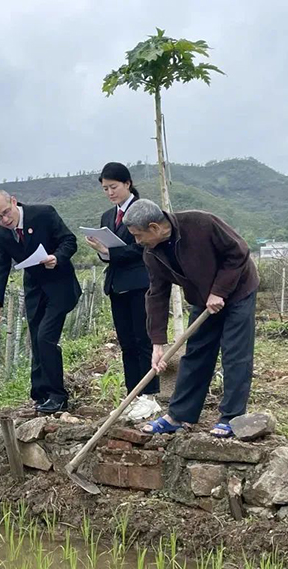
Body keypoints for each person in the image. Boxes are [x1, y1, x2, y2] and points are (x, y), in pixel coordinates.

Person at [122, 200, 259, 438]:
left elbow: (238, 252)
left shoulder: (200, 223)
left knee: (235, 354)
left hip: (238, 290)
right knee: (196, 353)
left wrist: (220, 290)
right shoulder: (152, 254)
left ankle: (231, 417)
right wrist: (157, 344)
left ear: (154, 227)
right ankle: (178, 416)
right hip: (203, 299)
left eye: (138, 235)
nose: (137, 241)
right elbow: (157, 294)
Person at [0, 190, 82, 414]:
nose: (5, 220)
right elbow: (0, 265)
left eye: (6, 213)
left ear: (13, 201)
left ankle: (58, 396)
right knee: (37, 339)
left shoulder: (43, 214)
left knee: (45, 337)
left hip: (60, 284)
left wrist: (56, 257)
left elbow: (69, 241)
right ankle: (40, 394)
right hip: (35, 288)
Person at [85, 162, 159, 402]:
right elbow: (108, 254)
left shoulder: (143, 210)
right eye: (105, 189)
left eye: (113, 187)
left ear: (127, 183)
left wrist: (110, 251)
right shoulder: (108, 216)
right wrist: (102, 251)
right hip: (117, 285)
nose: (110, 192)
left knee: (143, 340)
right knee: (126, 343)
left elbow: (143, 247)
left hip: (140, 283)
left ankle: (149, 394)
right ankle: (133, 394)